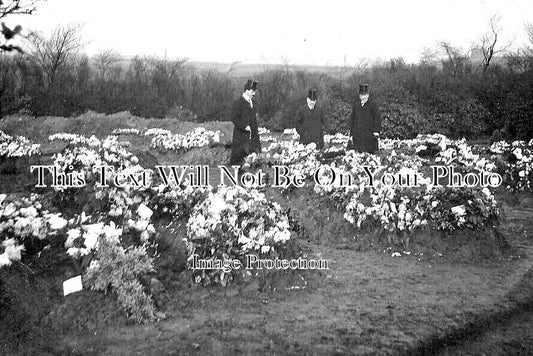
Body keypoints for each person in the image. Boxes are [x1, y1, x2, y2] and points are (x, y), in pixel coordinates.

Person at [229, 79, 261, 166]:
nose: (254, 94)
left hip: (252, 137)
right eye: (252, 91)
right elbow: (234, 117)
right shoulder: (239, 102)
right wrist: (244, 126)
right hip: (240, 136)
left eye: (254, 91)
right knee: (239, 163)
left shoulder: (253, 103)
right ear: (246, 90)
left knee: (253, 163)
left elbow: (254, 120)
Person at [348, 84, 381, 153]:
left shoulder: (373, 105)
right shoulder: (356, 106)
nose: (363, 97)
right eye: (361, 95)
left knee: (369, 154)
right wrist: (351, 133)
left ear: (368, 95)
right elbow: (352, 120)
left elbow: (377, 119)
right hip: (358, 135)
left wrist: (376, 131)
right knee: (358, 154)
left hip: (369, 135)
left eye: (365, 95)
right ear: (359, 96)